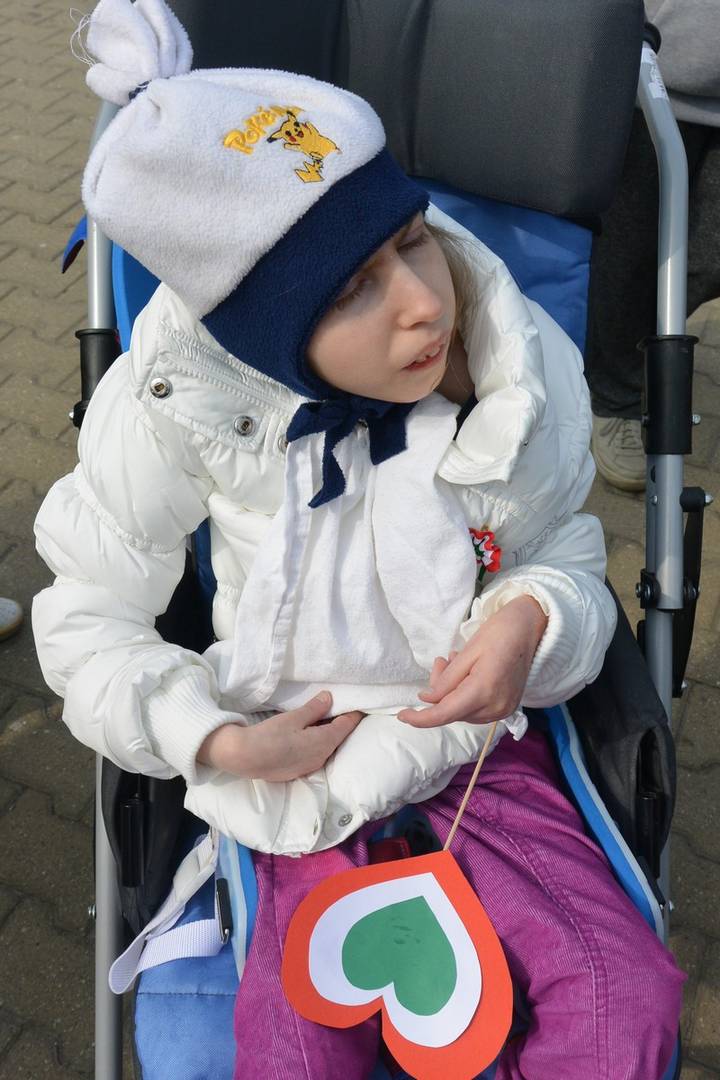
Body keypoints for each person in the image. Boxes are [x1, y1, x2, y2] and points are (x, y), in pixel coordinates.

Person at [32, 1, 683, 1077]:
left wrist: (531, 619)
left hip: (484, 750)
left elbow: (564, 553)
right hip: (296, 769)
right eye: (356, 290)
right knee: (296, 1049)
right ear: (269, 337)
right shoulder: (175, 397)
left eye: (414, 240)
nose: (424, 303)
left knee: (624, 1010)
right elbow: (86, 614)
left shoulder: (509, 367)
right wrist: (210, 737)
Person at [586, 0, 720, 490]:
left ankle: (636, 350)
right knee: (630, 260)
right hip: (649, 77)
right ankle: (616, 397)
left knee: (704, 263)